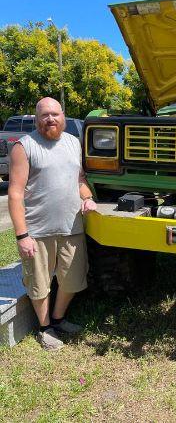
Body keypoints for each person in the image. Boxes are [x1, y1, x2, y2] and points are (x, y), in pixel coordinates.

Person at [8, 97, 97, 351]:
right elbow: (15, 193)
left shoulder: (73, 143)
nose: (50, 119)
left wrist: (88, 197)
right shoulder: (24, 147)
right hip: (37, 230)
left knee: (72, 280)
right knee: (39, 283)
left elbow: (79, 179)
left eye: (55, 114)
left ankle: (58, 319)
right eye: (44, 115)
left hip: (72, 227)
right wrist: (22, 235)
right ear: (36, 118)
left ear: (63, 116)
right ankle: (45, 328)